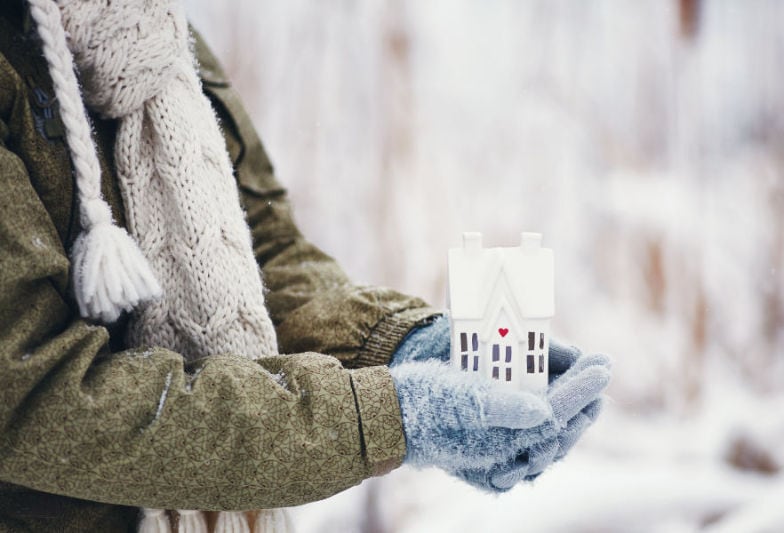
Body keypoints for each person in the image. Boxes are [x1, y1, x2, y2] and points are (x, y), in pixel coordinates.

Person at [0, 1, 611, 532]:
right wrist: (388, 416)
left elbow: (264, 252)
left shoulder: (151, 30)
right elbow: (31, 393)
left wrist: (404, 346)